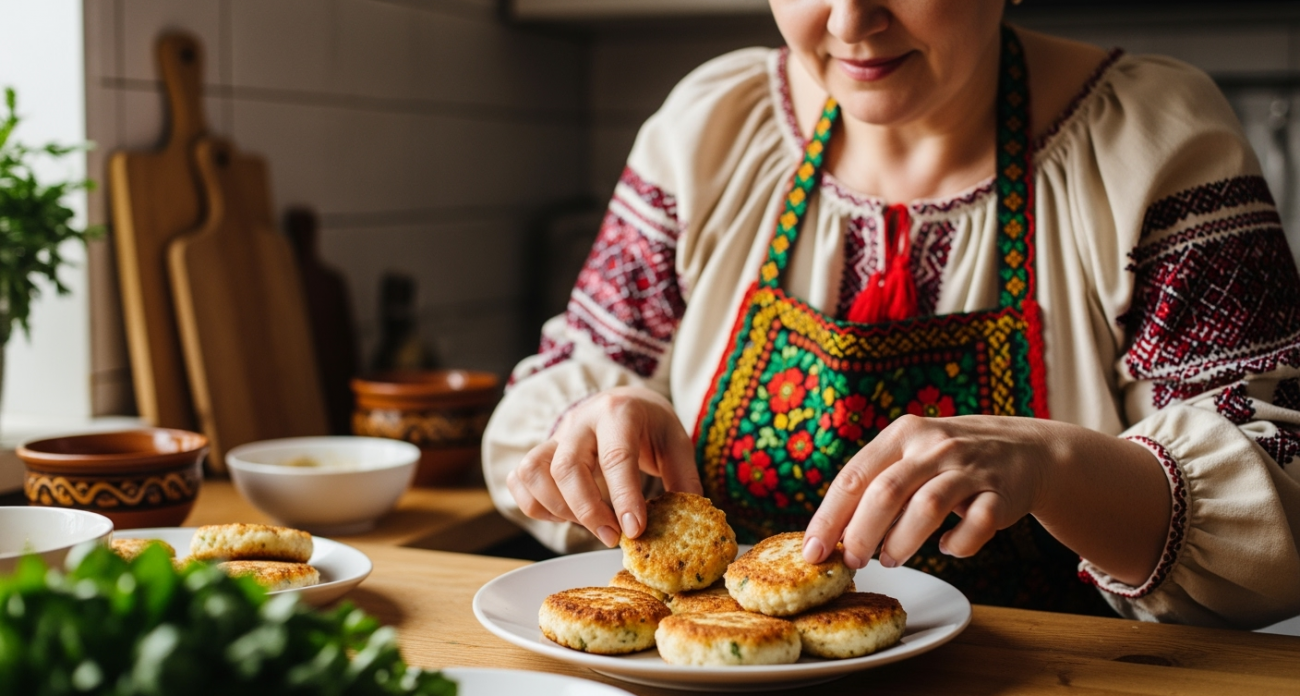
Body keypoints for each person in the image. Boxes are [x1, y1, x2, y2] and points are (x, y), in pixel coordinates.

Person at [482, 0, 1300, 628]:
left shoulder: (1150, 140)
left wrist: (1055, 466)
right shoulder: (712, 127)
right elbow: (571, 386)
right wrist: (599, 420)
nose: (850, 21)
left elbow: (1278, 474)